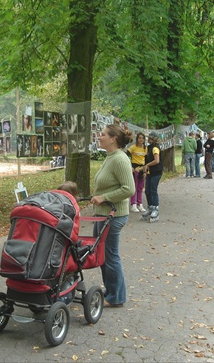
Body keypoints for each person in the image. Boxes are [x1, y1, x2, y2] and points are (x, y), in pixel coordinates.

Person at [90, 124, 135, 307]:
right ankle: (111, 292)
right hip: (103, 215)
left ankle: (116, 297)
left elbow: (129, 189)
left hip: (113, 216)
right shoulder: (110, 157)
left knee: (110, 256)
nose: (99, 137)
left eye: (102, 135)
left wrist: (104, 197)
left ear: (113, 139)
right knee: (103, 255)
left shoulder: (120, 159)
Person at [141, 132, 163, 221]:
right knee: (147, 191)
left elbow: (156, 160)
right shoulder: (149, 148)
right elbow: (147, 160)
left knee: (153, 190)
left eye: (149, 138)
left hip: (156, 172)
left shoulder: (155, 148)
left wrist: (147, 165)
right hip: (150, 172)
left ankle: (155, 208)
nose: (148, 139)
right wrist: (145, 171)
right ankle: (150, 207)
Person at [126, 133, 147, 213]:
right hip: (135, 168)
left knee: (140, 188)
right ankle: (133, 204)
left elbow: (146, 160)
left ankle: (140, 203)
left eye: (142, 138)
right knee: (134, 187)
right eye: (139, 138)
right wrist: (130, 166)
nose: (141, 140)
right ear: (137, 139)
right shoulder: (133, 147)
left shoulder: (145, 148)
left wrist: (145, 171)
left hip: (142, 168)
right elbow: (126, 155)